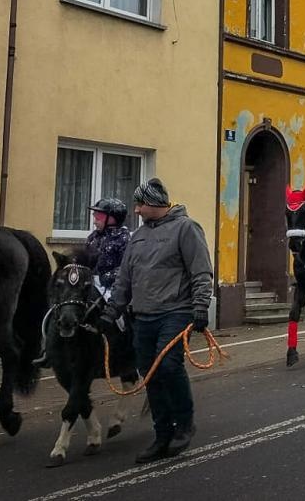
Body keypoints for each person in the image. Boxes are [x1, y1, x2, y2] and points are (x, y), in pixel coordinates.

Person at [103, 178, 213, 462]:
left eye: (140, 204)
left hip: (176, 311)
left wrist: (201, 306)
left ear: (153, 203)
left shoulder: (186, 229)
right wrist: (113, 309)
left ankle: (184, 424)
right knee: (148, 372)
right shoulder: (138, 237)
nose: (136, 210)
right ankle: (162, 433)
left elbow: (201, 271)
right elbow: (124, 278)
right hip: (143, 315)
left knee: (168, 365)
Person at [85, 197, 131, 298]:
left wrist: (104, 278)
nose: (94, 221)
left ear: (112, 218)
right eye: (95, 216)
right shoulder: (93, 237)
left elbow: (126, 267)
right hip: (90, 286)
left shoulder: (123, 239)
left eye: (99, 217)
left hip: (112, 290)